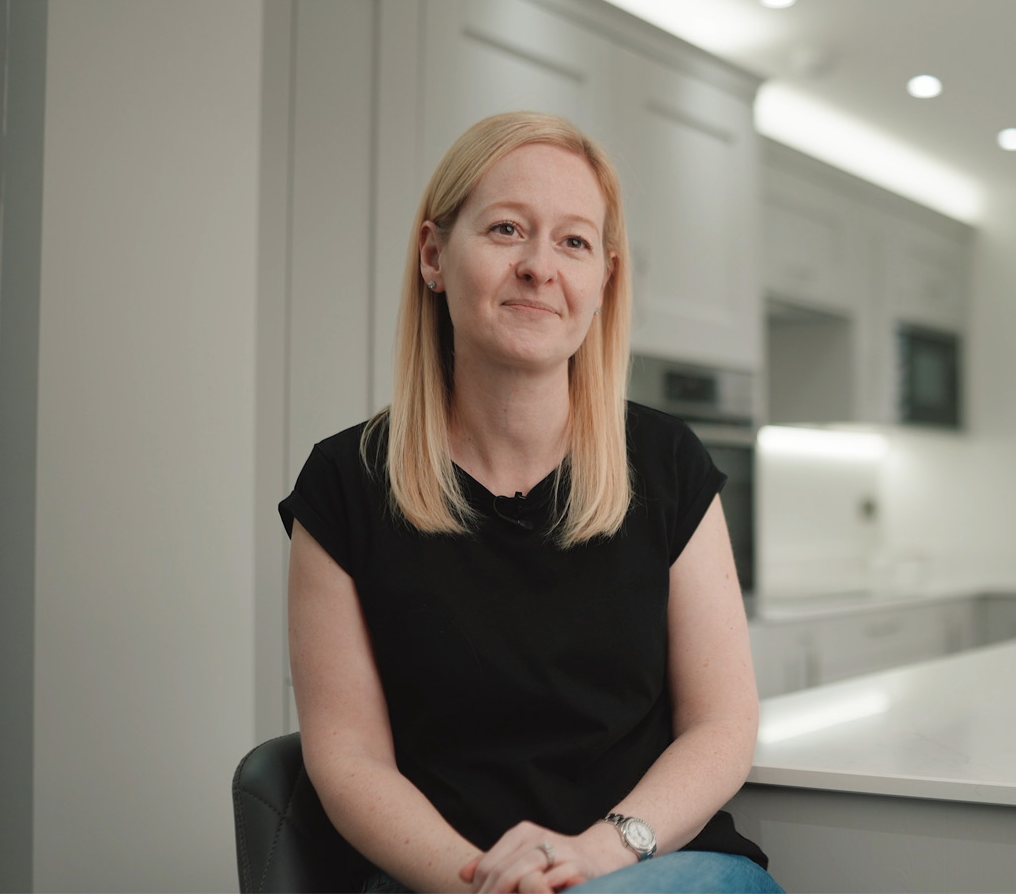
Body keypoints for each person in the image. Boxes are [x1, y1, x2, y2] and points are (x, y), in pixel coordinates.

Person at [280, 112, 781, 894]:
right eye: (508, 229)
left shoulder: (668, 463)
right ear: (434, 255)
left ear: (603, 281)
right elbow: (349, 762)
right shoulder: (344, 484)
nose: (540, 267)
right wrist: (490, 884)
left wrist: (601, 853)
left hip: (660, 871)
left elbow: (723, 726)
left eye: (574, 241)